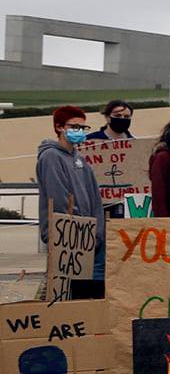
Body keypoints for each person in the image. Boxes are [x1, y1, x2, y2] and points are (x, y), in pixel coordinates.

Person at [38, 106, 105, 297]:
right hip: (66, 237)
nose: (79, 131)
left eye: (83, 127)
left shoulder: (81, 160)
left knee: (85, 291)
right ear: (59, 127)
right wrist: (72, 228)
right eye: (74, 126)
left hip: (87, 237)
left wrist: (96, 231)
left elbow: (95, 198)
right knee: (66, 293)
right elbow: (58, 197)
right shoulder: (51, 156)